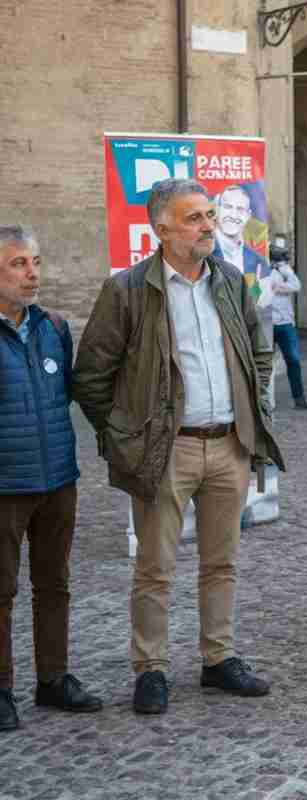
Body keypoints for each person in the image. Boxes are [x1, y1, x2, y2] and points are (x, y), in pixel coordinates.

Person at [74, 179, 284, 715]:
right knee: (155, 567)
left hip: (228, 445)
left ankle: (218, 659)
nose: (208, 226)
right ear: (162, 228)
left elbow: (260, 353)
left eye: (210, 215)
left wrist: (253, 410)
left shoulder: (232, 282)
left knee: (223, 562)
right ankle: (152, 668)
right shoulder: (127, 290)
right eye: (194, 218)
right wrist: (126, 436)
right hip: (166, 451)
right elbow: (93, 376)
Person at [0, 226, 102, 731]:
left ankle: (53, 678)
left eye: (36, 262)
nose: (32, 273)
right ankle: (0, 690)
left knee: (54, 583)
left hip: (58, 478)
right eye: (19, 264)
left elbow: (63, 397)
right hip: (4, 485)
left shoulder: (54, 328)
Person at [265, 235, 307, 410]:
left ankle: (299, 399)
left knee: (293, 360)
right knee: (265, 363)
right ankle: (266, 401)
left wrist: (279, 288)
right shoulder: (261, 268)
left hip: (285, 323)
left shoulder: (284, 269)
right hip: (266, 322)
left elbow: (297, 286)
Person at [211, 184, 268, 280]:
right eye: (228, 207)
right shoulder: (201, 253)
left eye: (240, 209)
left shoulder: (258, 261)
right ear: (217, 209)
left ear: (248, 216)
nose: (233, 215)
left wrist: (257, 289)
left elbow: (258, 293)